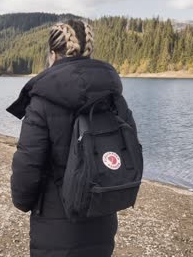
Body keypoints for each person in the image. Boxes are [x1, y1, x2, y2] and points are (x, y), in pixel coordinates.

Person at [7, 19, 136, 256]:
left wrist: (22, 201)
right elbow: (129, 151)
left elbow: (28, 164)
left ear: (52, 54)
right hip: (101, 215)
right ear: (89, 51)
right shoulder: (114, 97)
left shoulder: (42, 100)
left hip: (55, 223)